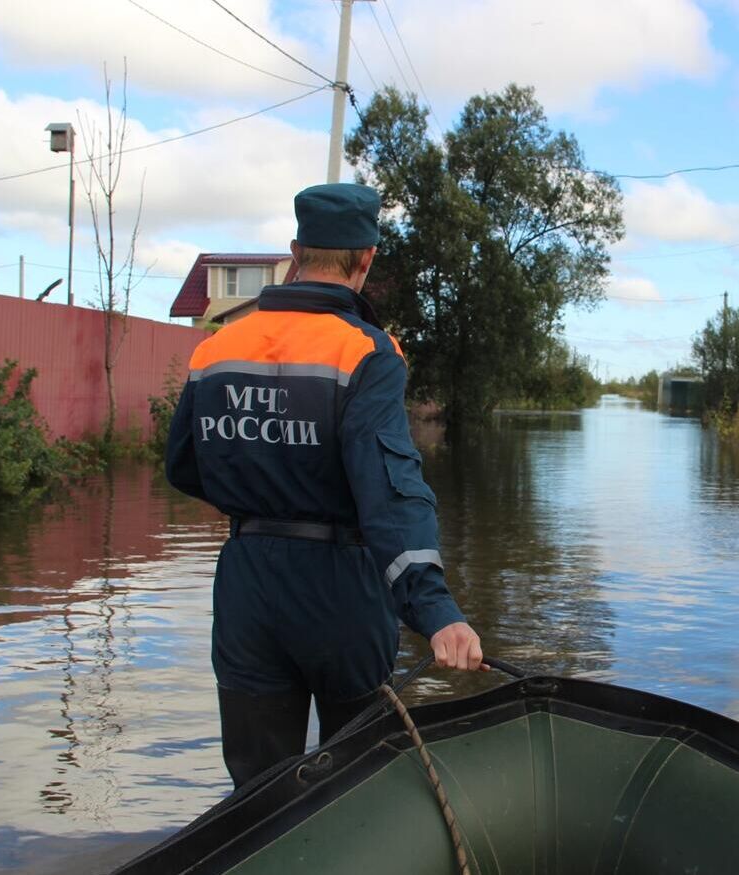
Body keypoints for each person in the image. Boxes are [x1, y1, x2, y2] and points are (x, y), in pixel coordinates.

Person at [164, 182, 482, 787]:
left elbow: (182, 466)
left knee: (257, 791)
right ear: (366, 260)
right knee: (356, 786)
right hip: (340, 591)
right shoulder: (367, 353)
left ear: (294, 248)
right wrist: (434, 609)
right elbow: (389, 491)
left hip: (246, 587)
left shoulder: (217, 349)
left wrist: (260, 493)